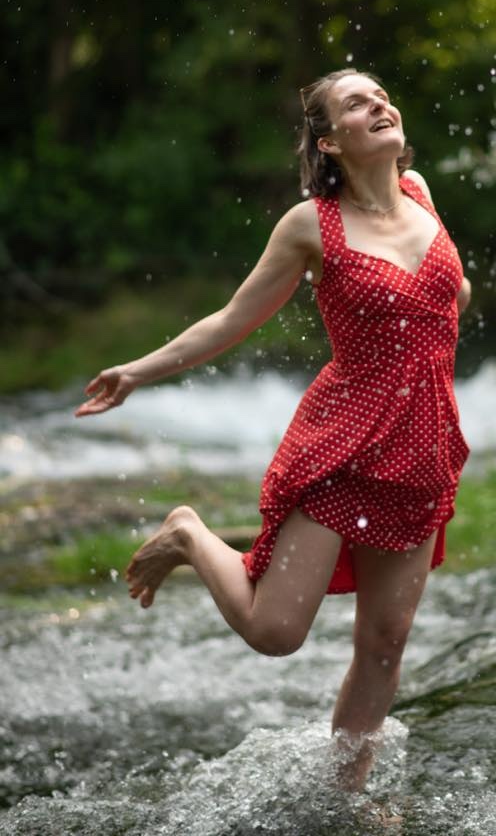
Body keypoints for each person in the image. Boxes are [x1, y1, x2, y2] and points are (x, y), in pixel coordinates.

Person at [75, 67, 472, 795]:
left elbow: (453, 296)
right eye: (357, 103)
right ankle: (189, 534)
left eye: (382, 96)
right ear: (330, 142)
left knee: (385, 643)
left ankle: (346, 798)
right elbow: (233, 320)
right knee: (275, 632)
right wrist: (138, 371)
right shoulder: (310, 226)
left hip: (423, 447)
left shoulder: (420, 194)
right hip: (345, 444)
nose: (379, 105)